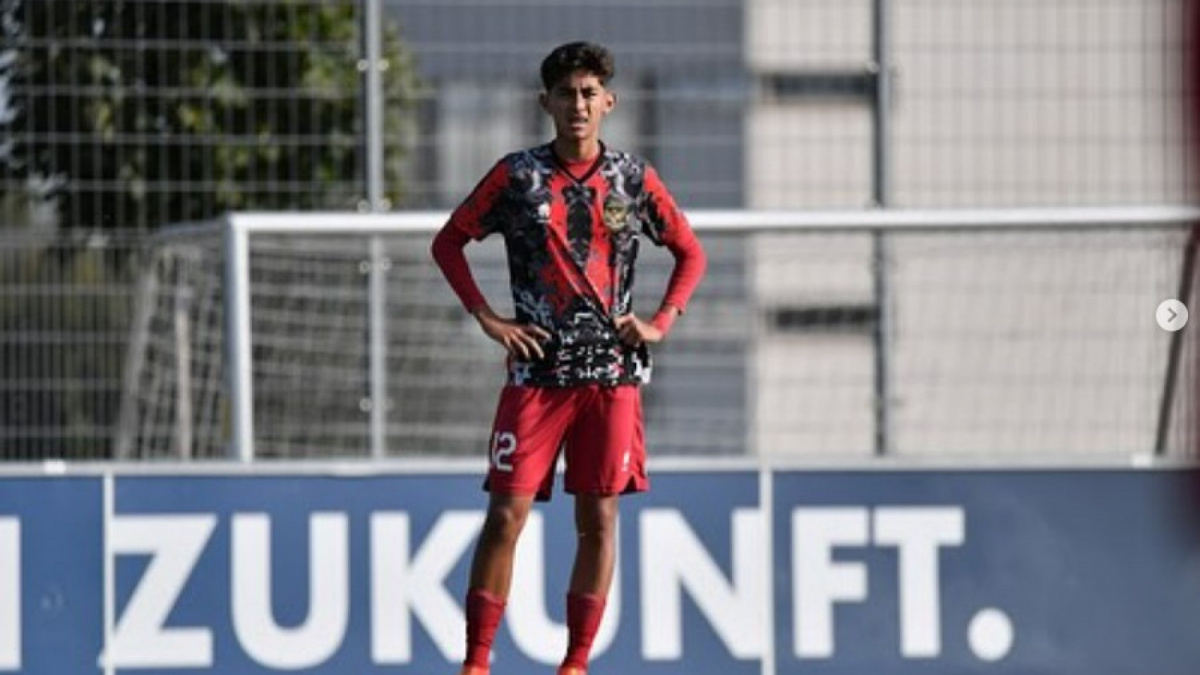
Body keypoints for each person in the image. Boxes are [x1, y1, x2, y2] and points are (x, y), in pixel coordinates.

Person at [430, 40, 707, 675]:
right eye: (565, 94)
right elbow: (448, 243)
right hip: (536, 376)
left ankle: (576, 663)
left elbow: (692, 253)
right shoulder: (516, 177)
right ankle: (477, 662)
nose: (577, 105)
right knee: (507, 512)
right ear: (545, 102)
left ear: (608, 101)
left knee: (599, 518)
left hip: (611, 378)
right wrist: (488, 317)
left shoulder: (633, 180)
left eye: (588, 93)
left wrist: (662, 321)